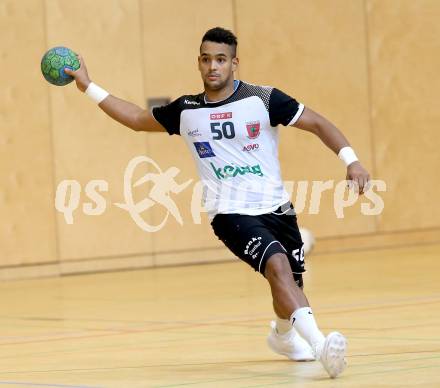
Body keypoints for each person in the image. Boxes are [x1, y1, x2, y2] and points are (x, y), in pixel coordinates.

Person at [66, 27, 370, 379]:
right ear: (199, 63)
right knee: (278, 267)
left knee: (287, 285)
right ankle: (322, 348)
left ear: (234, 63)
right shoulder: (187, 110)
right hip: (229, 213)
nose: (213, 66)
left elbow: (317, 123)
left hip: (278, 209)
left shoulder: (264, 99)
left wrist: (352, 160)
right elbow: (135, 118)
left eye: (221, 60)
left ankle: (283, 337)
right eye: (207, 59)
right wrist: (88, 86)